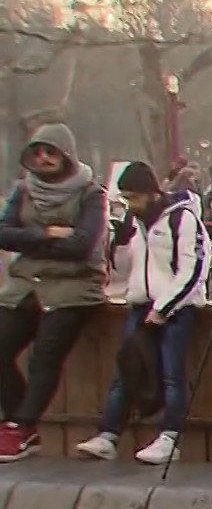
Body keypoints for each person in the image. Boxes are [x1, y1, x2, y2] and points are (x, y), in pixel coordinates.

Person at [76, 162, 210, 465]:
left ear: (152, 193)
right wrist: (120, 240)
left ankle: (170, 437)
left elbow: (194, 269)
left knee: (172, 373)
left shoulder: (183, 219)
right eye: (126, 199)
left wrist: (164, 308)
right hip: (140, 304)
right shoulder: (134, 223)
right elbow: (124, 266)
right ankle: (109, 434)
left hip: (176, 308)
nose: (131, 205)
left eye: (134, 198)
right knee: (126, 369)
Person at [0, 123, 110, 461]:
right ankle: (16, 421)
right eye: (37, 152)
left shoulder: (91, 193)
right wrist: (47, 233)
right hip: (25, 284)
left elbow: (81, 245)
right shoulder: (23, 190)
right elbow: (3, 234)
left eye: (51, 152)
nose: (44, 158)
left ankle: (21, 426)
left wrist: (28, 240)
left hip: (74, 287)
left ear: (67, 155)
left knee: (45, 355)